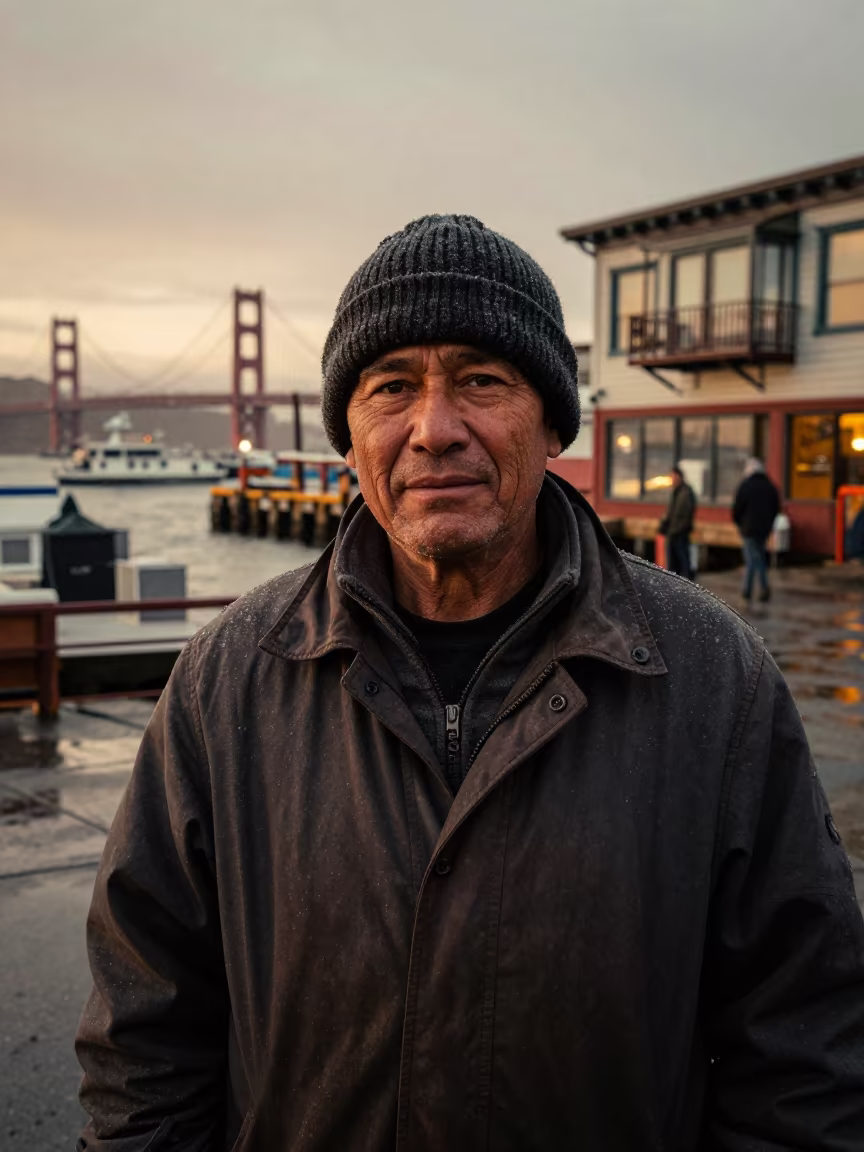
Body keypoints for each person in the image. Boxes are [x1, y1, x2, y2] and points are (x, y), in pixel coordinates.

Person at [75, 215, 864, 1152]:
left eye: (481, 381)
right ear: (348, 435)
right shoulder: (229, 680)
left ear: (553, 421)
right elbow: (144, 1041)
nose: (434, 430)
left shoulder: (712, 678)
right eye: (391, 387)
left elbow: (804, 1047)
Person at [732, 457, 781, 603]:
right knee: (757, 556)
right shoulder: (770, 487)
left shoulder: (745, 486)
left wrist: (740, 523)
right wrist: (769, 523)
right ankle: (752, 590)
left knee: (753, 559)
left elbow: (737, 508)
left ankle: (752, 589)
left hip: (748, 529)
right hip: (764, 529)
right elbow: (776, 508)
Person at [659, 464, 696, 579]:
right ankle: (675, 581)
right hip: (673, 532)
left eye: (674, 477)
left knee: (682, 560)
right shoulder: (676, 492)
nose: (672, 480)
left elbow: (685, 515)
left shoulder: (686, 493)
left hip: (680, 533)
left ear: (679, 477)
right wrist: (665, 524)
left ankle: (685, 581)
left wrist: (679, 528)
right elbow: (671, 512)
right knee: (673, 562)